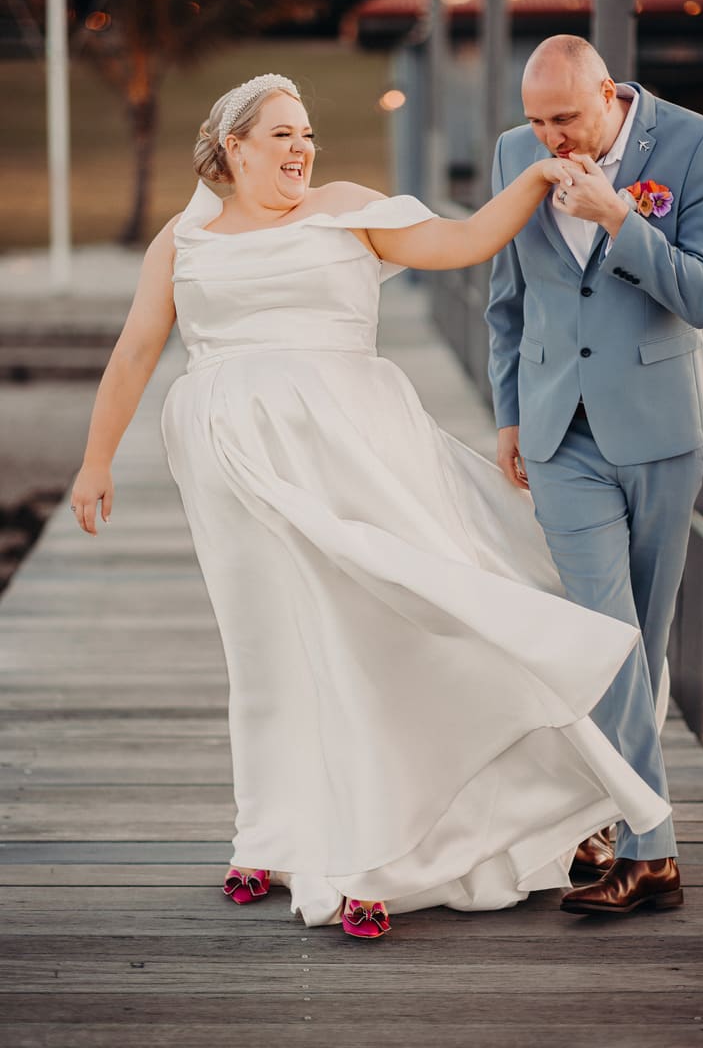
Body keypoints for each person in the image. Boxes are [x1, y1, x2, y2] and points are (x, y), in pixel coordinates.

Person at [71, 71, 672, 940]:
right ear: (232, 146)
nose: (300, 148)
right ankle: (272, 834)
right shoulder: (184, 237)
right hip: (235, 468)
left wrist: (539, 179)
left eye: (306, 131)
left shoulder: (348, 207)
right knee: (272, 648)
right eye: (280, 134)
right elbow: (134, 351)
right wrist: (97, 461)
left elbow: (464, 242)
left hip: (355, 455)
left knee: (373, 639)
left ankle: (379, 855)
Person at [486, 35, 703, 915]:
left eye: (566, 118)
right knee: (606, 631)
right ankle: (653, 849)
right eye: (536, 120)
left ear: (609, 94)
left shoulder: (699, 146)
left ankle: (603, 814)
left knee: (644, 639)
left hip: (662, 430)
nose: (550, 137)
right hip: (560, 432)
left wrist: (620, 219)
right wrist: (509, 411)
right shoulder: (516, 153)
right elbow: (506, 298)